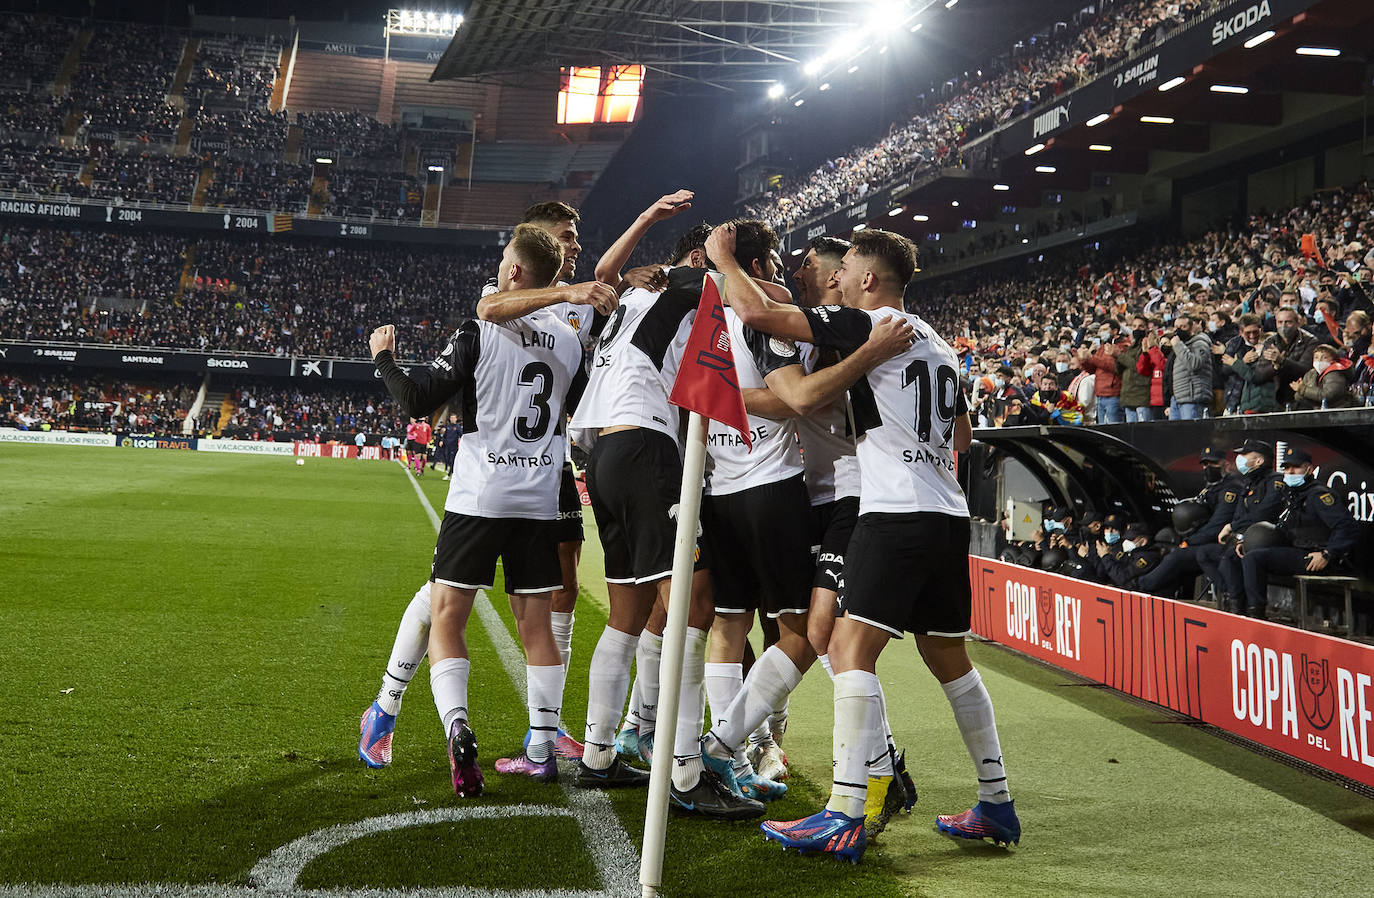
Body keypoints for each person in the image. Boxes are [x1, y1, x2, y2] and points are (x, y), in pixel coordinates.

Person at [709, 223, 1017, 862]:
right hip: (945, 512)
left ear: (870, 280)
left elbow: (757, 312)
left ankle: (846, 809)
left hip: (894, 511)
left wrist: (719, 258)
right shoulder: (938, 344)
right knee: (949, 659)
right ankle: (995, 800)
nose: (839, 276)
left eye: (846, 267)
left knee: (846, 645)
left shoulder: (865, 324)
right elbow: (961, 438)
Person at [357, 205, 620, 770]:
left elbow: (416, 399)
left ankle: (455, 726)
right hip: (539, 497)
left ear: (517, 270)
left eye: (505, 261)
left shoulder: (482, 326)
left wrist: (383, 360)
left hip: (480, 493)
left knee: (446, 612)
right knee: (538, 622)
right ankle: (542, 744)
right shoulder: (573, 343)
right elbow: (573, 410)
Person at [1235, 447, 1359, 619]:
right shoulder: (1292, 494)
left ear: (1308, 468)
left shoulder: (1318, 494)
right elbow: (1285, 528)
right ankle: (1246, 609)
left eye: (1295, 467)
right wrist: (1248, 540)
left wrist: (1328, 553)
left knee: (1253, 559)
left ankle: (1256, 614)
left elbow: (1347, 526)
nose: (1290, 471)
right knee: (1246, 554)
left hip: (1316, 556)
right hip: (1297, 550)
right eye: (1286, 468)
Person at [1195, 440, 1286, 613]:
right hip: (1242, 538)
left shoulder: (1275, 482)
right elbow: (1239, 513)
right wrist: (1237, 534)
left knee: (1233, 559)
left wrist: (1232, 527)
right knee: (1206, 554)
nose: (1239, 459)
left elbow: (1264, 514)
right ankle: (1233, 598)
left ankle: (1250, 609)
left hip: (1265, 539)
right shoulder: (1248, 482)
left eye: (1245, 455)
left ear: (1259, 461)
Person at [1168, 311, 1213, 420]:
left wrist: (1177, 345)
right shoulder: (1183, 345)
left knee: (1190, 434)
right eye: (1176, 327)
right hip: (1178, 398)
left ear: (1192, 327)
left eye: (1183, 326)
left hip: (1193, 398)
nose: (1179, 330)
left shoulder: (1200, 342)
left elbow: (1194, 364)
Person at [1290, 344, 1356, 410]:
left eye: (1324, 357)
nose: (1319, 360)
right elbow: (1298, 397)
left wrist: (1302, 389)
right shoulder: (1311, 374)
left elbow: (1327, 395)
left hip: (1337, 411)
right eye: (1316, 357)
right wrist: (1299, 389)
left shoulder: (1336, 374)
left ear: (1333, 360)